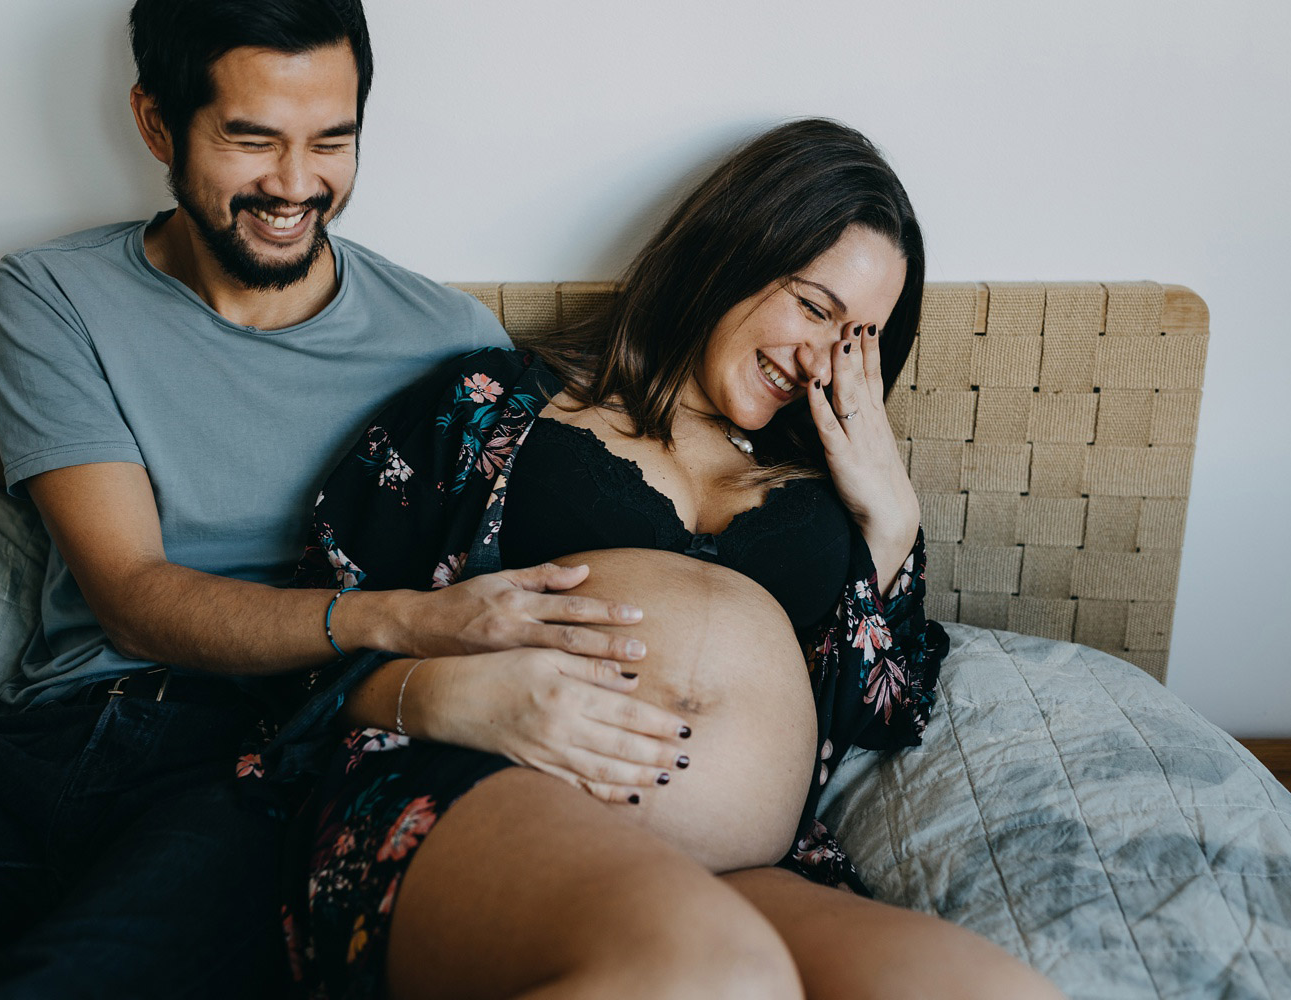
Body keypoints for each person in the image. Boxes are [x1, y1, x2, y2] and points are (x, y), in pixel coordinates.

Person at [0, 1, 658, 996]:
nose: (294, 184)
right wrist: (398, 617)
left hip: (259, 769)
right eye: (251, 139)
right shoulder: (56, 294)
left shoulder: (451, 344)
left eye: (331, 141)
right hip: (54, 741)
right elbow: (133, 592)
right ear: (158, 125)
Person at [258, 120, 1067, 999]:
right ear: (733, 252)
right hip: (487, 794)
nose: (815, 361)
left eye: (854, 340)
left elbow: (885, 712)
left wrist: (890, 524)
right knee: (711, 978)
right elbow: (309, 636)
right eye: (813, 306)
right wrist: (440, 694)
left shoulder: (839, 491)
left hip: (751, 869)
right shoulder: (492, 403)